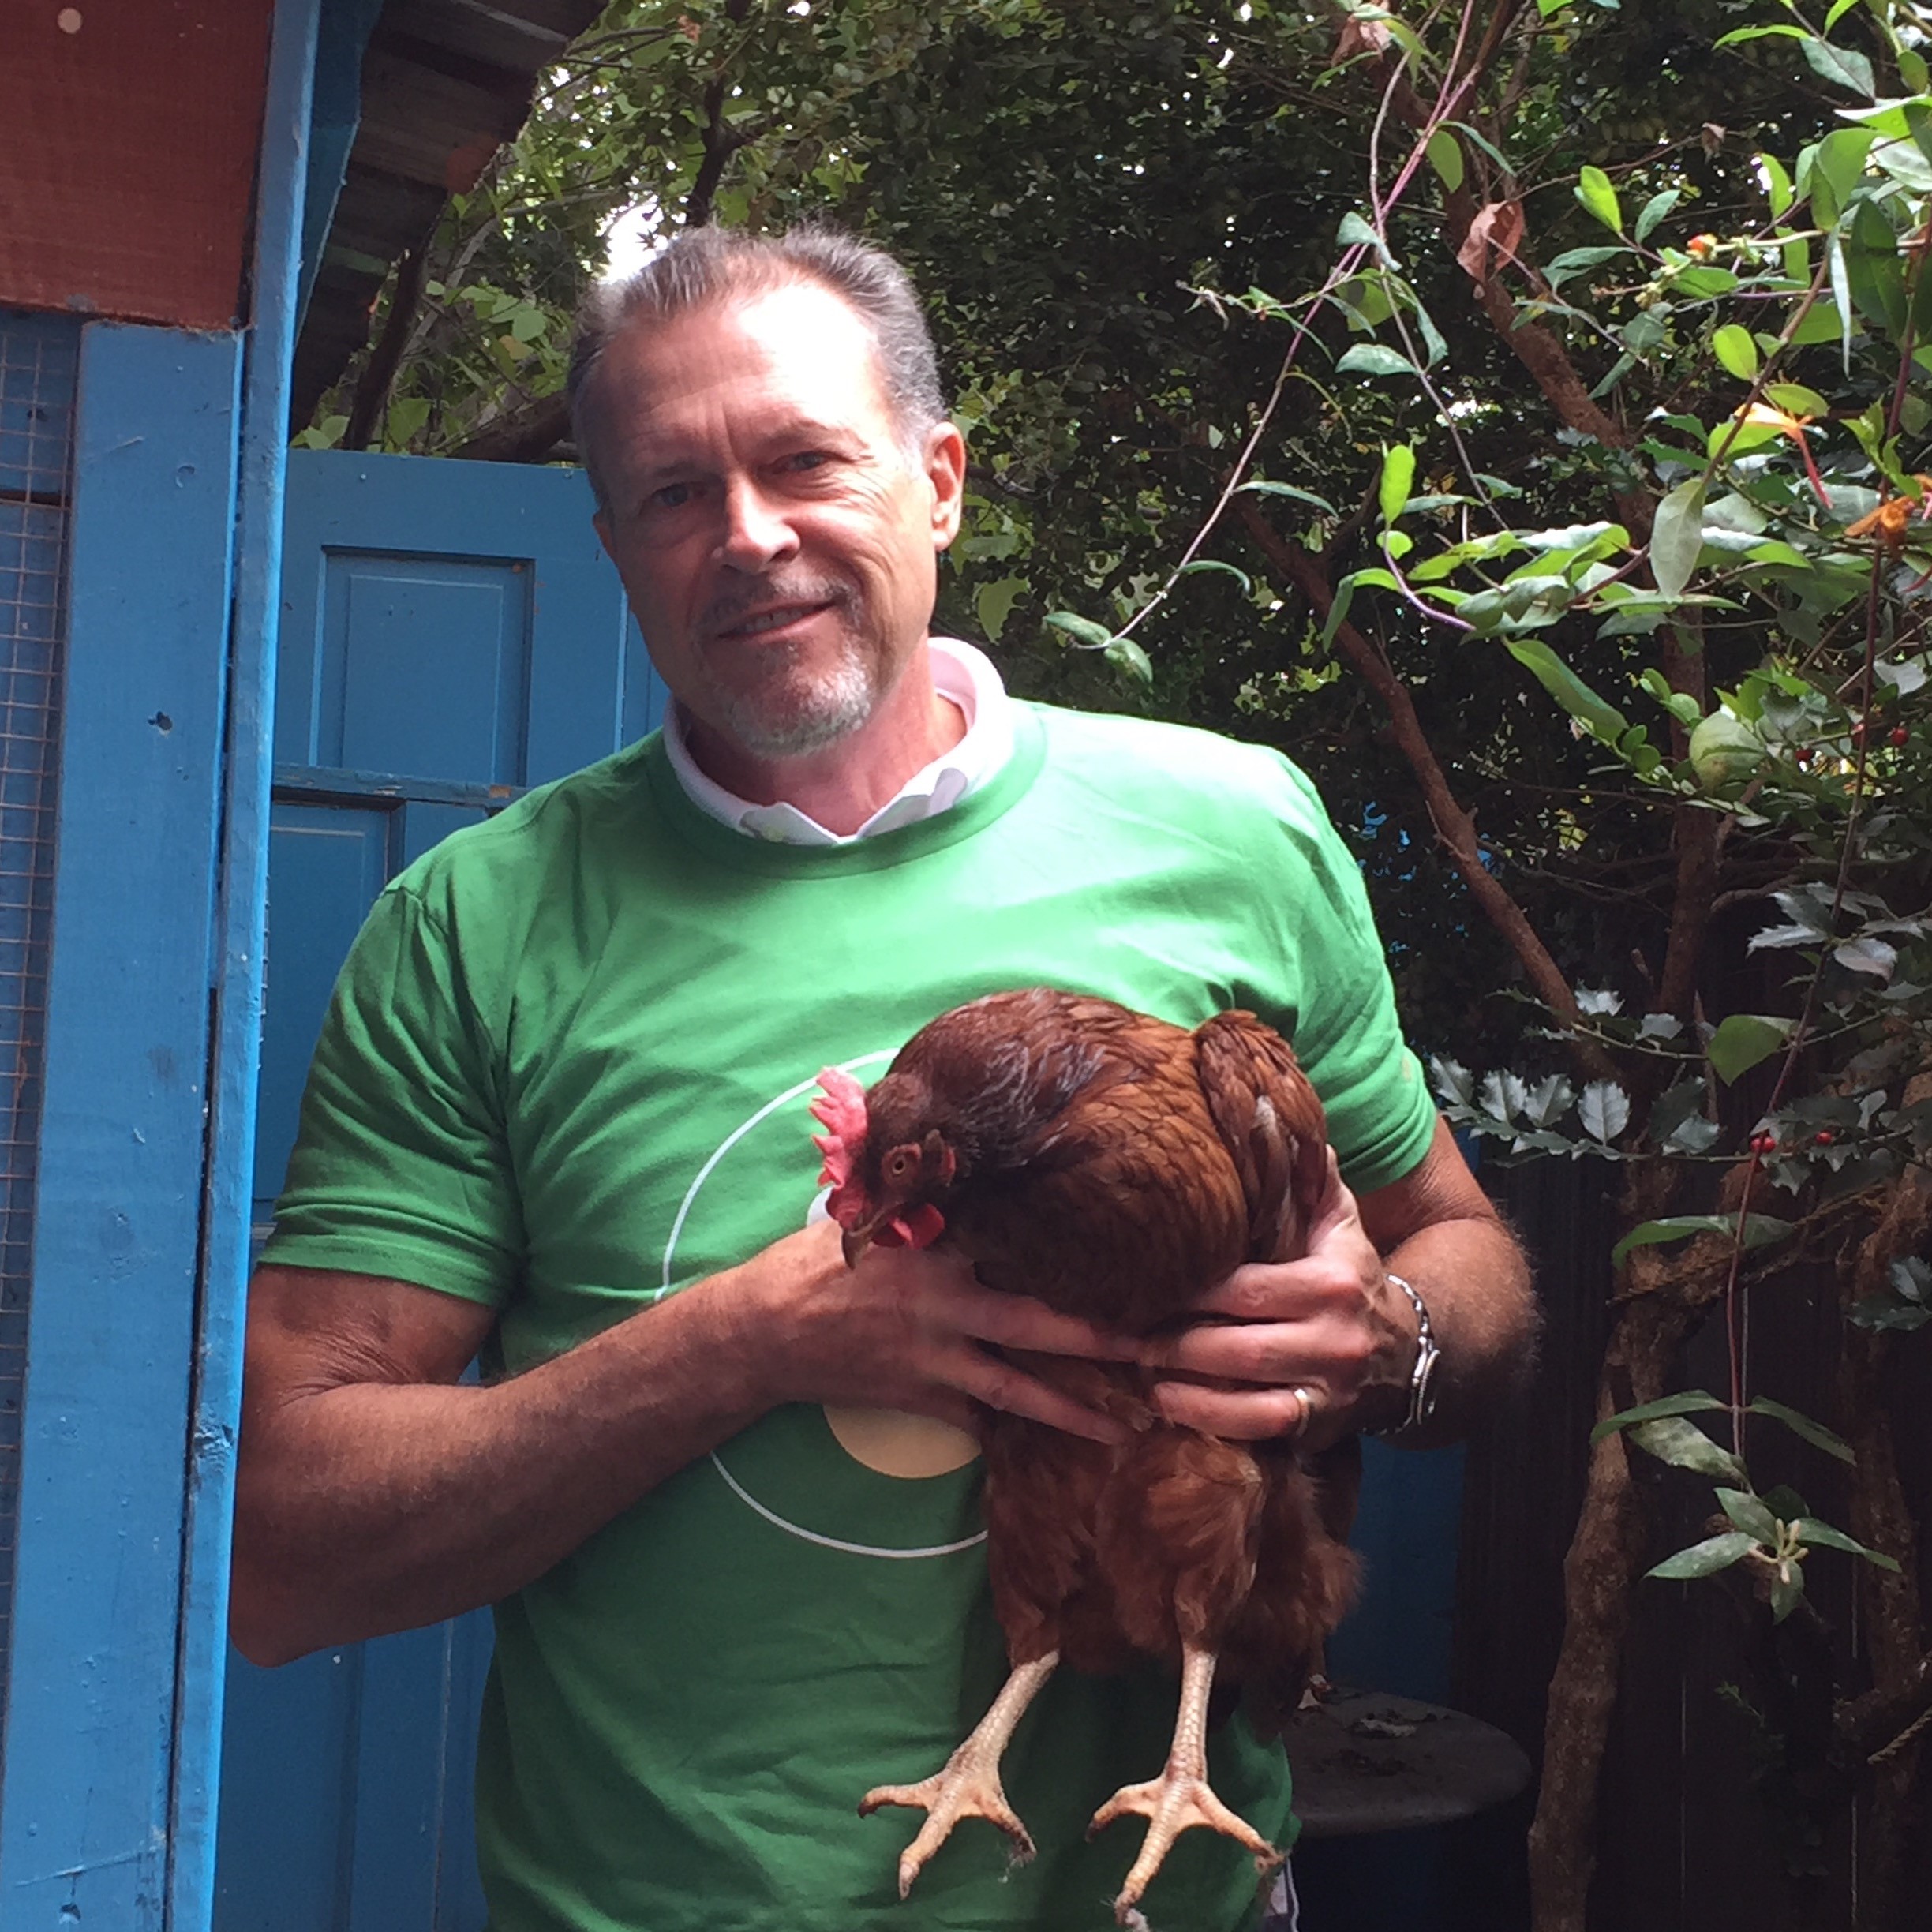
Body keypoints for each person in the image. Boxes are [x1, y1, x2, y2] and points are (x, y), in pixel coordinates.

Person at [232, 223, 1533, 1932]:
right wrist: (751, 1339)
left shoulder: (1235, 830)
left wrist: (1400, 1336)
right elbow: (287, 1542)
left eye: (803, 461)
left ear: (939, 482)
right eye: (675, 493)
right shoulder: (478, 927)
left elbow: (1473, 1264)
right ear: (615, 548)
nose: (750, 536)